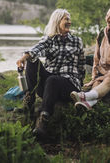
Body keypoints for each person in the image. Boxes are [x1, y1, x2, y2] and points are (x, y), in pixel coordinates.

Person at [16, 9, 85, 140]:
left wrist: (80, 88)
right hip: (49, 87)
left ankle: (43, 120)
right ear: (57, 21)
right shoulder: (49, 39)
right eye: (66, 19)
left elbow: (81, 66)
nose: (69, 22)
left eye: (69, 19)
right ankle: (29, 102)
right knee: (33, 61)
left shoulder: (77, 41)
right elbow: (36, 49)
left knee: (53, 79)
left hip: (68, 85)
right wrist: (24, 58)